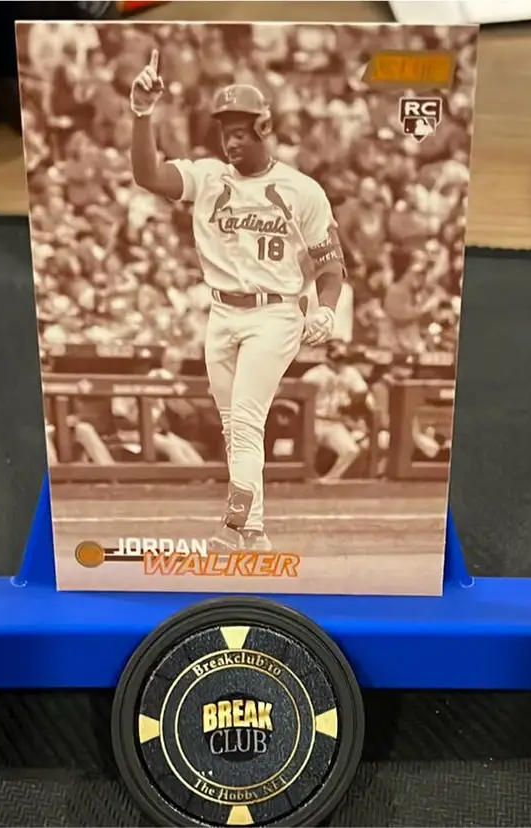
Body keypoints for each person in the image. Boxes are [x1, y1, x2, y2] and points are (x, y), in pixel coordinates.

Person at [129, 50, 347, 552]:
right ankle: (256, 532)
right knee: (235, 428)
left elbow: (331, 262)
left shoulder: (301, 189)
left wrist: (326, 308)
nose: (231, 139)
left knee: (246, 420)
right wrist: (142, 114)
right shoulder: (209, 176)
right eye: (226, 130)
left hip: (275, 313)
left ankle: (231, 527)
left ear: (264, 127)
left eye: (242, 130)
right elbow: (149, 176)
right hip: (221, 312)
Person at [301, 340, 370, 484]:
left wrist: (351, 406)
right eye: (338, 360)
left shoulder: (350, 373)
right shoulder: (314, 375)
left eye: (343, 360)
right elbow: (299, 395)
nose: (341, 364)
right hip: (313, 421)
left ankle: (329, 480)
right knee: (306, 454)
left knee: (351, 450)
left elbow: (362, 391)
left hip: (333, 422)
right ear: (328, 358)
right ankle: (303, 482)